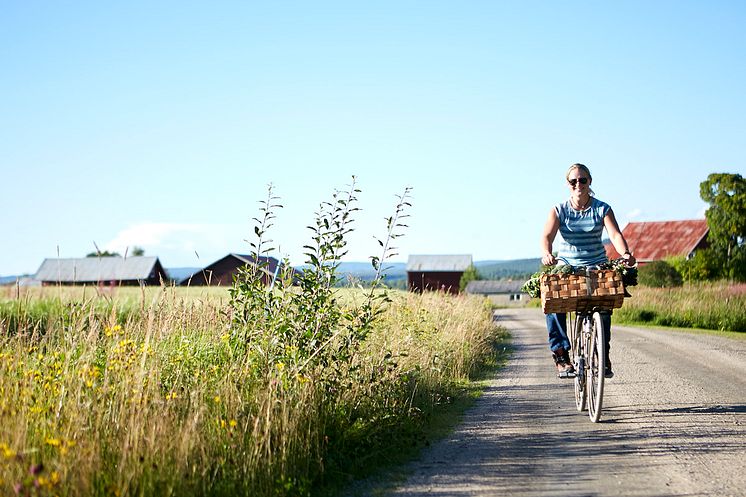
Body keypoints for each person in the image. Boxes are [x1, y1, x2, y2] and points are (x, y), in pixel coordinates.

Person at [541, 163, 636, 378]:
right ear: (568, 184)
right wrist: (547, 253)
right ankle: (561, 355)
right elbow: (547, 236)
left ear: (589, 181)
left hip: (597, 265)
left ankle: (603, 355)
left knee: (604, 306)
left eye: (582, 180)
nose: (578, 184)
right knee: (553, 303)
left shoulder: (602, 208)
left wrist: (625, 253)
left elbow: (614, 235)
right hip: (568, 266)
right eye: (573, 181)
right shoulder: (559, 210)